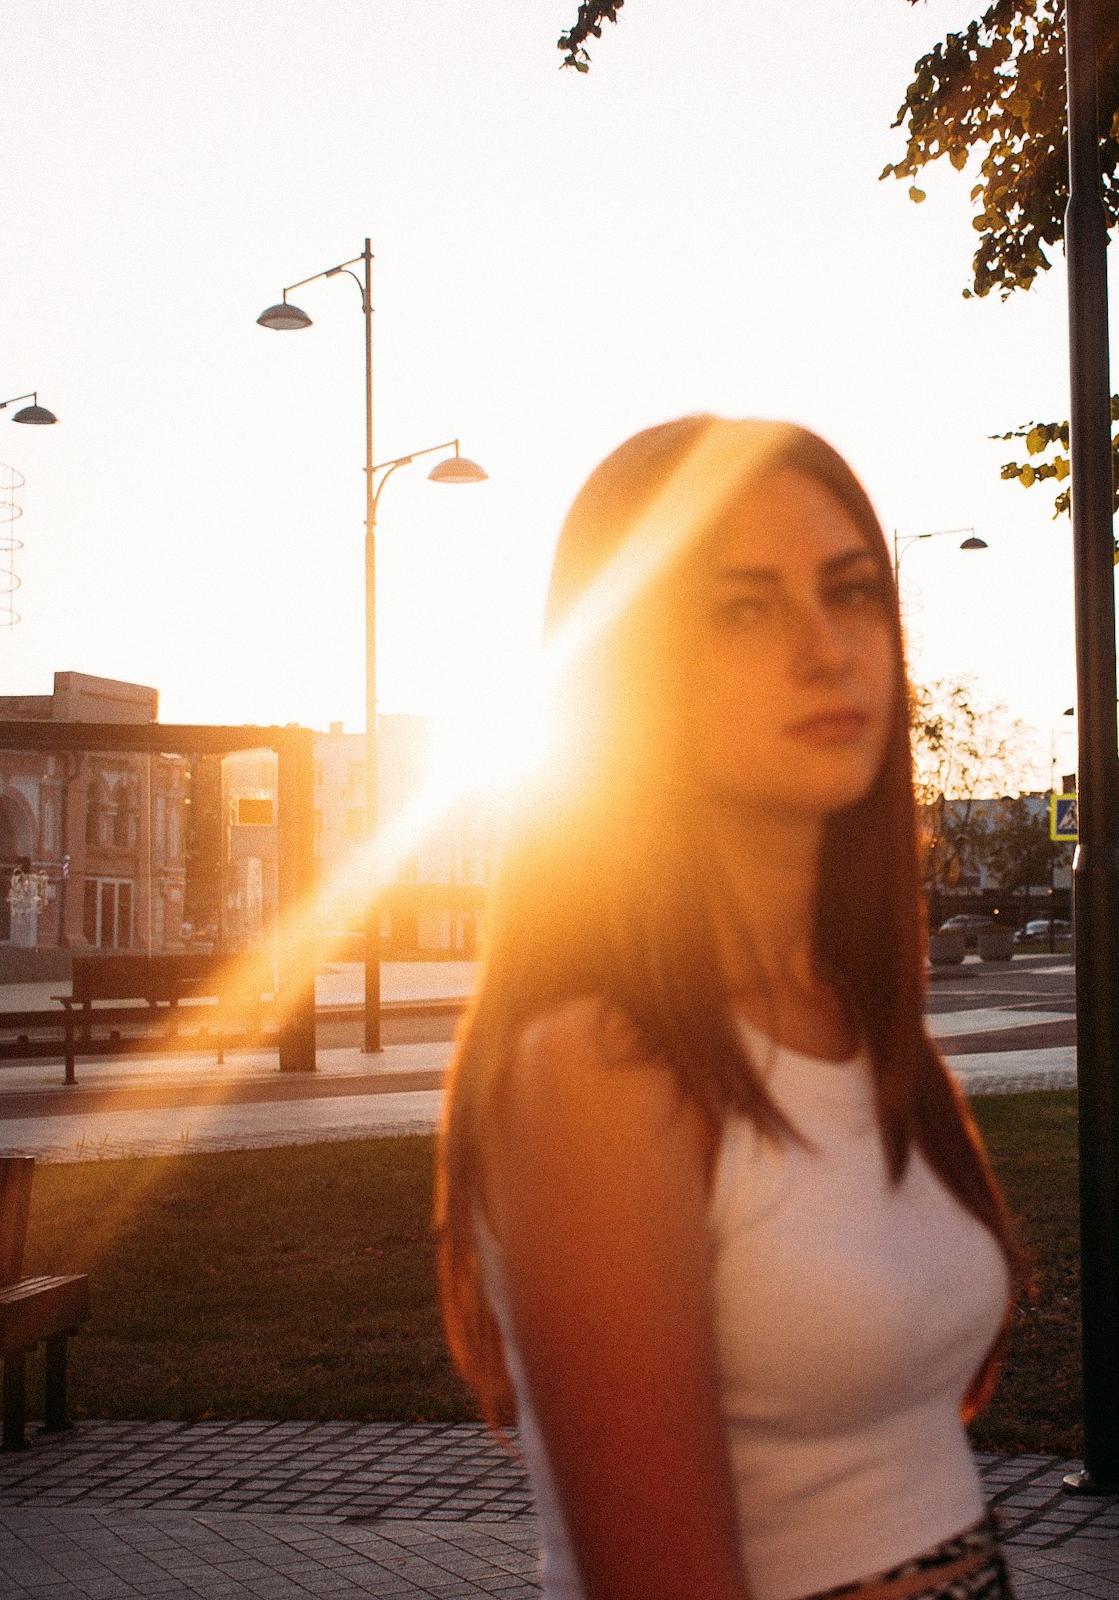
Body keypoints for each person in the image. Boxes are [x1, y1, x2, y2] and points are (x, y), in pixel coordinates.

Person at [438, 416, 1022, 1600]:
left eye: (851, 591)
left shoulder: (853, 1017)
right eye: (744, 609)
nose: (827, 648)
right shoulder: (602, 1067)